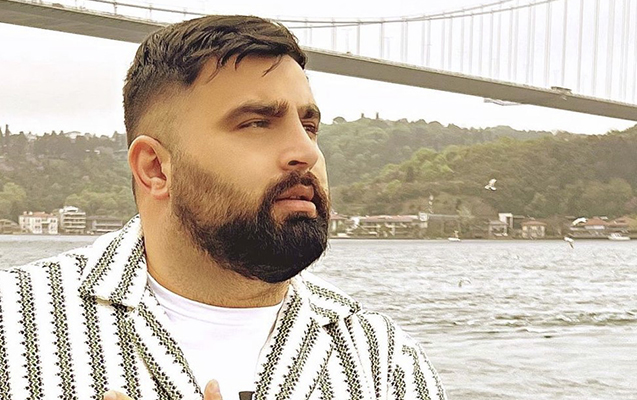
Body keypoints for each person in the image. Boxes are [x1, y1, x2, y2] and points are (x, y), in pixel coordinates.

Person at [0, 15, 446, 400]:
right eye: (257, 123)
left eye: (309, 127)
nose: (306, 152)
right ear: (155, 168)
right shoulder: (13, 324)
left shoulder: (382, 358)